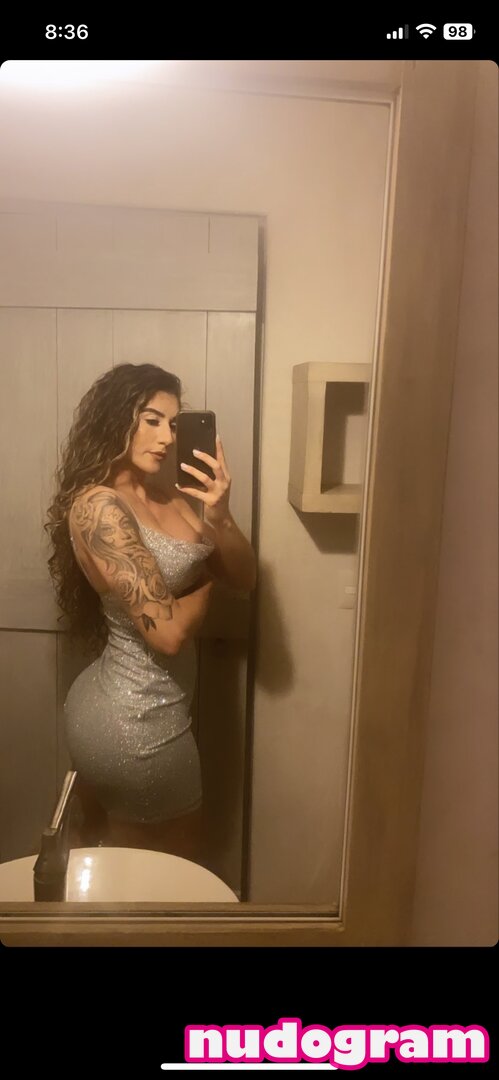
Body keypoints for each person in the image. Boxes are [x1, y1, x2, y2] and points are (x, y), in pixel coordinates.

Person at [45, 363, 256, 861]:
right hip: (137, 721)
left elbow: (244, 578)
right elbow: (168, 635)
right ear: (116, 419)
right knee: (170, 871)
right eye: (151, 420)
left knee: (110, 864)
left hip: (132, 702)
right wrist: (206, 579)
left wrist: (220, 516)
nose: (166, 438)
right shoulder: (100, 507)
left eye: (174, 424)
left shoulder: (171, 497)